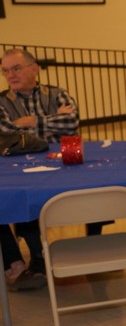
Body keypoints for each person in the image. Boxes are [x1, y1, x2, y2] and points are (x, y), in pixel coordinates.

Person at [1, 48, 79, 291]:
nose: (10, 75)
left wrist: (31, 123)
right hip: (17, 168)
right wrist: (52, 120)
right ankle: (37, 257)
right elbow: (6, 133)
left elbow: (72, 122)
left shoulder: (57, 93)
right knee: (22, 197)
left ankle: (96, 244)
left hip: (61, 163)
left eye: (16, 68)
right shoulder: (2, 101)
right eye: (5, 71)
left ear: (34, 69)